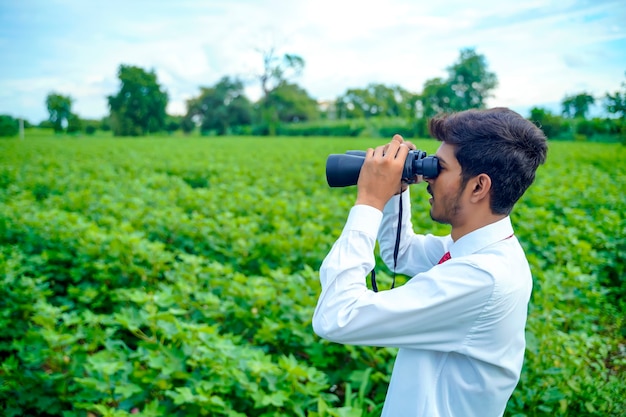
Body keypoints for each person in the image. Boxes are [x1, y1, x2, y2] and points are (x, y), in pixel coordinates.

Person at [312, 107, 548, 417]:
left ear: (478, 186)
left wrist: (370, 201)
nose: (429, 178)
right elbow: (401, 253)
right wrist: (397, 187)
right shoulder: (481, 251)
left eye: (441, 168)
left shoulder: (482, 277)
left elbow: (336, 316)